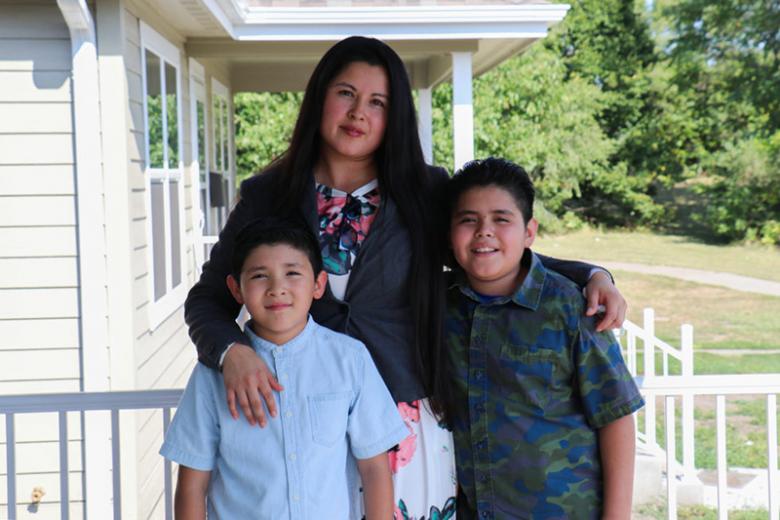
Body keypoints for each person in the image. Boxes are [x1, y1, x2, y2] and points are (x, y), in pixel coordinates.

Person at [185, 36, 627, 518]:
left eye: (379, 102)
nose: (359, 113)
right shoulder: (268, 194)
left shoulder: (425, 190)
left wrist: (591, 273)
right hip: (300, 420)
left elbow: (487, 252)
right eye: (346, 93)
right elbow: (208, 299)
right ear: (319, 98)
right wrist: (233, 352)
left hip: (403, 422)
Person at [161, 218, 408, 519]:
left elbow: (374, 470)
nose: (277, 288)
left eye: (292, 273)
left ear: (318, 284)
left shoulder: (350, 359)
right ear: (235, 289)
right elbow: (192, 484)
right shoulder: (213, 374)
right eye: (260, 276)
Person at [442, 157, 645, 519]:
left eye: (501, 219)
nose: (484, 231)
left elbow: (615, 415)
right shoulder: (439, 305)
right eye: (468, 220)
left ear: (529, 232)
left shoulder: (571, 307)